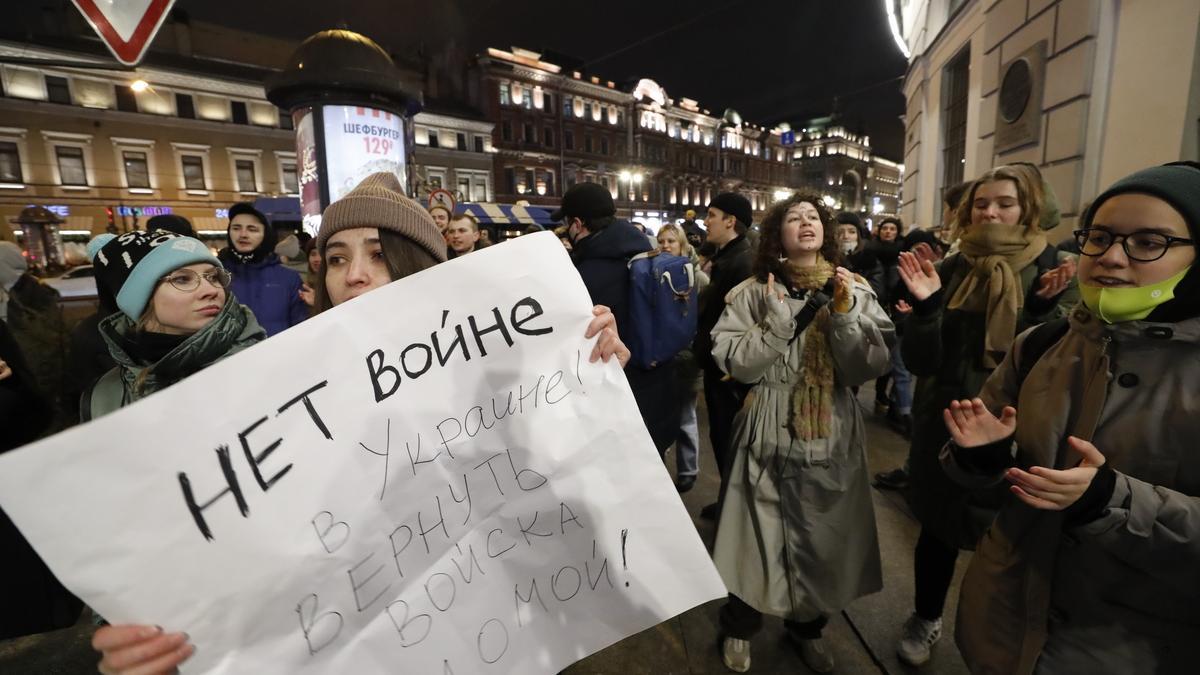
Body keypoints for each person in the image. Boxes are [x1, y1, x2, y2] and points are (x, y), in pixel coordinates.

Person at [94, 174, 632, 675]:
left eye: (379, 255)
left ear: (423, 266)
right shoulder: (280, 393)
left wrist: (588, 371)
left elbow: (570, 509)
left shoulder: (498, 370)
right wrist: (156, 627)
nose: (353, 275)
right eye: (335, 258)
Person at [942, 161, 1200, 674]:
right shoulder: (1043, 344)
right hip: (1004, 625)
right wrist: (984, 458)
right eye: (1099, 237)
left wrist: (1111, 501)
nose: (1111, 258)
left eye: (1149, 243)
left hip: (1135, 646)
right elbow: (976, 473)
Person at [891, 165, 1077, 667]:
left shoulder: (1055, 268)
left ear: (1029, 209)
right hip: (946, 420)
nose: (990, 212)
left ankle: (1006, 634)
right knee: (938, 529)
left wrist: (1041, 311)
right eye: (980, 204)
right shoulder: (951, 269)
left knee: (1015, 537)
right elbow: (920, 362)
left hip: (1021, 426)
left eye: (1005, 203)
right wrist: (926, 310)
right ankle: (926, 615)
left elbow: (1060, 363)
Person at [711, 195, 894, 673]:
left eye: (813, 216)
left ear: (827, 231)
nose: (805, 223)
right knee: (753, 535)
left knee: (824, 535)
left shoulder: (854, 289)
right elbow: (737, 364)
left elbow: (866, 366)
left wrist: (847, 314)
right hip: (768, 419)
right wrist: (774, 325)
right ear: (777, 235)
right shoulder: (753, 291)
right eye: (794, 217)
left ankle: (807, 628)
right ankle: (740, 625)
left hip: (830, 425)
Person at [556, 182, 679, 454]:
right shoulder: (644, 255)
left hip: (626, 406)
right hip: (661, 393)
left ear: (577, 223)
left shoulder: (585, 274)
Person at [694, 192, 756, 521]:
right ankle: (731, 502)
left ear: (730, 221)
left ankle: (736, 510)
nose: (706, 221)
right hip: (720, 366)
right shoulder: (729, 257)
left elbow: (740, 322)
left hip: (727, 371)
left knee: (728, 438)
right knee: (723, 438)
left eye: (712, 215)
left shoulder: (741, 261)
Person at [656, 222, 710, 493]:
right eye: (661, 241)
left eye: (671, 241)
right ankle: (661, 470)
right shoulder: (651, 273)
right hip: (661, 355)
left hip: (687, 354)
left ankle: (688, 470)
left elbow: (706, 316)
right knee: (661, 414)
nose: (665, 246)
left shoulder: (698, 279)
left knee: (686, 414)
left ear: (682, 246)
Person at [218, 203, 307, 337]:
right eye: (236, 228)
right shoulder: (216, 275)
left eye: (252, 229)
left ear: (266, 234)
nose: (243, 234)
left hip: (278, 354)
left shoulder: (288, 278)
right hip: (230, 357)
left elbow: (300, 327)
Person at [872, 216, 905, 418]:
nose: (888, 232)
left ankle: (882, 393)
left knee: (891, 357)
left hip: (894, 310)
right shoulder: (870, 250)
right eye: (885, 228)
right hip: (876, 306)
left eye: (893, 229)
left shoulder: (902, 253)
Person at [835, 212, 885, 299]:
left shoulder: (870, 259)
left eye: (852, 232)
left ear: (858, 235)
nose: (846, 236)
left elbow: (878, 291)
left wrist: (854, 279)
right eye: (840, 232)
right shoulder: (826, 259)